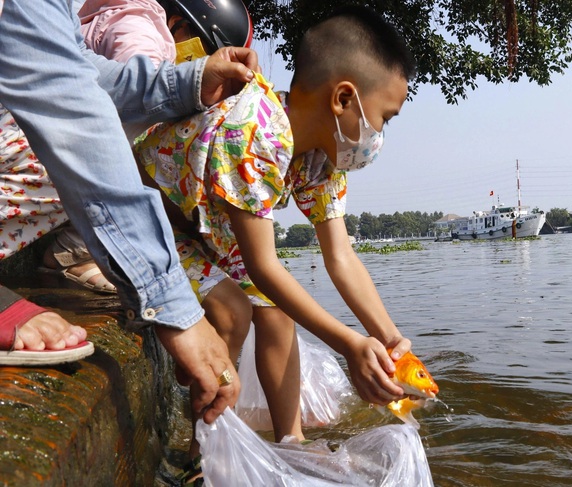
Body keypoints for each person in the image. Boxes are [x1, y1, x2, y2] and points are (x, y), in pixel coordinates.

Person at [135, 4, 416, 418]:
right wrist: (350, 345)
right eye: (384, 118)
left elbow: (341, 258)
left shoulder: (323, 159)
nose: (378, 135)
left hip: (199, 226)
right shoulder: (254, 130)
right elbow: (263, 266)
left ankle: (290, 443)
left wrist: (389, 339)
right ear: (343, 98)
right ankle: (201, 452)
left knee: (277, 313)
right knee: (233, 310)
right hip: (147, 217)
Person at [0, 0, 259, 422]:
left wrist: (189, 84)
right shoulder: (140, 24)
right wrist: (172, 305)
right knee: (66, 145)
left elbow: (83, 70)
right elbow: (67, 100)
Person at [77, 0, 307, 450]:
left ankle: (256, 440)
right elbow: (124, 111)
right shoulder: (139, 30)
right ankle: (207, 442)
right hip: (112, 201)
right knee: (230, 311)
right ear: (179, 26)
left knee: (257, 312)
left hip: (153, 209)